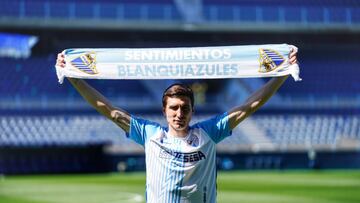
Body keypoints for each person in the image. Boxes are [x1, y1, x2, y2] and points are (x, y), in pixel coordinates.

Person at [56, 49, 298, 203]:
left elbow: (248, 106)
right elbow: (107, 109)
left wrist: (281, 76)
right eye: (174, 108)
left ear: (193, 111)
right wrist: (75, 79)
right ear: (164, 110)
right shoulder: (149, 134)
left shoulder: (209, 132)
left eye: (184, 108)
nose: (179, 113)